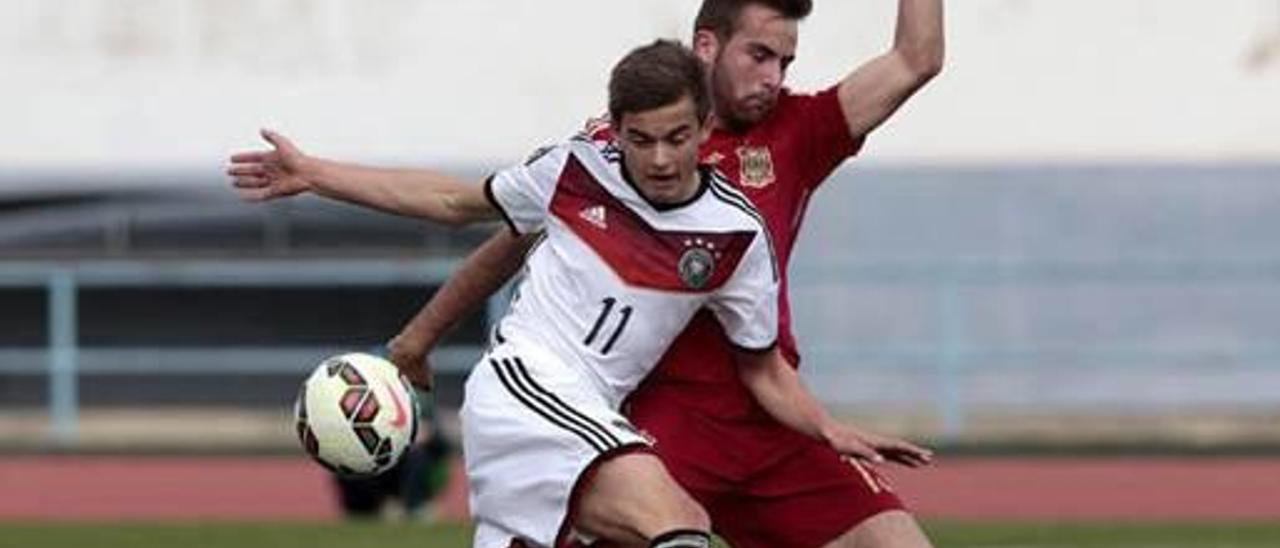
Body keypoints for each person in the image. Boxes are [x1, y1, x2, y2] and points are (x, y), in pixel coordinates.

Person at [229, 40, 930, 548]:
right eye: (641, 139)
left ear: (705, 129)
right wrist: (316, 172)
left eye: (677, 137)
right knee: (679, 525)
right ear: (615, 129)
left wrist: (828, 428)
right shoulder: (574, 170)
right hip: (527, 386)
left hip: (587, 414)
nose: (658, 158)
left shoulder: (736, 235)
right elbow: (449, 199)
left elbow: (762, 367)